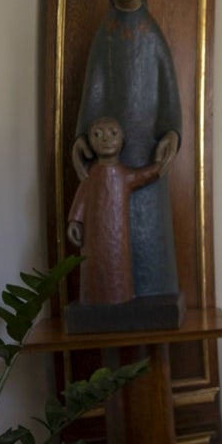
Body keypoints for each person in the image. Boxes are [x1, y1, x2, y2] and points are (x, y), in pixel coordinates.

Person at [72, 0, 181, 302]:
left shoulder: (151, 34)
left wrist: (171, 136)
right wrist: (83, 137)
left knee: (150, 250)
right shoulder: (106, 34)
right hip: (108, 167)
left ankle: (153, 295)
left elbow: (169, 95)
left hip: (147, 161)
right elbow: (95, 92)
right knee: (111, 248)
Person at [67, 117, 166, 306]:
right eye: (98, 134)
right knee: (93, 267)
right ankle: (93, 298)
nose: (106, 139)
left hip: (117, 237)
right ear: (90, 141)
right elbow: (82, 196)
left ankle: (120, 296)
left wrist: (160, 166)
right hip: (94, 237)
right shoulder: (92, 175)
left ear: (122, 140)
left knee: (118, 268)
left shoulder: (123, 174)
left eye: (113, 133)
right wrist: (75, 221)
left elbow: (143, 176)